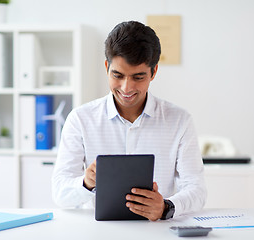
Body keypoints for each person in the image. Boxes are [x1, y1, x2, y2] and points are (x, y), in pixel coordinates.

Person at [52, 21, 206, 221]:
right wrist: (86, 183)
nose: (126, 88)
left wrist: (166, 207)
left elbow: (197, 189)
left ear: (154, 72)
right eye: (118, 75)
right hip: (97, 231)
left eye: (138, 77)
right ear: (107, 67)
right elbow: (59, 192)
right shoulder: (80, 119)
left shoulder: (179, 121)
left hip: (156, 230)